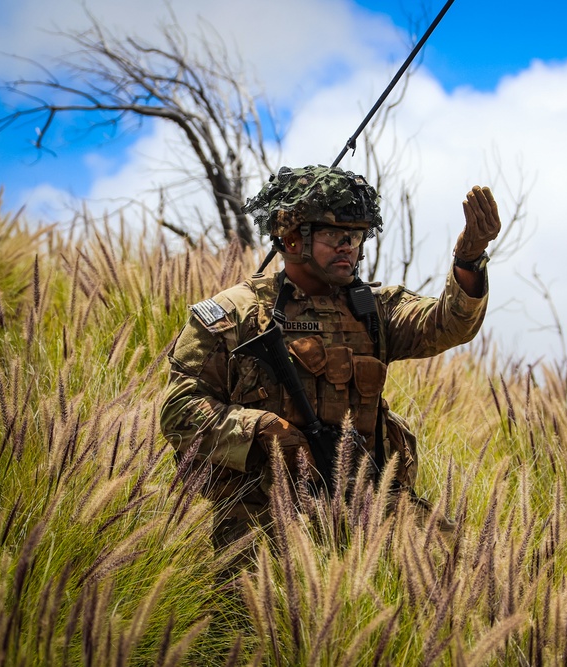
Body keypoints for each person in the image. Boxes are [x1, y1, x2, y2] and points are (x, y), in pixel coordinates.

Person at [160, 164, 500, 559]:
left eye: (356, 236)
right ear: (290, 238)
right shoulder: (236, 313)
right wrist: (260, 429)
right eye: (332, 234)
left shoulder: (374, 309)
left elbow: (448, 324)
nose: (347, 246)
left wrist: (469, 258)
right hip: (260, 514)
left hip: (368, 502)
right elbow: (179, 411)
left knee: (464, 567)